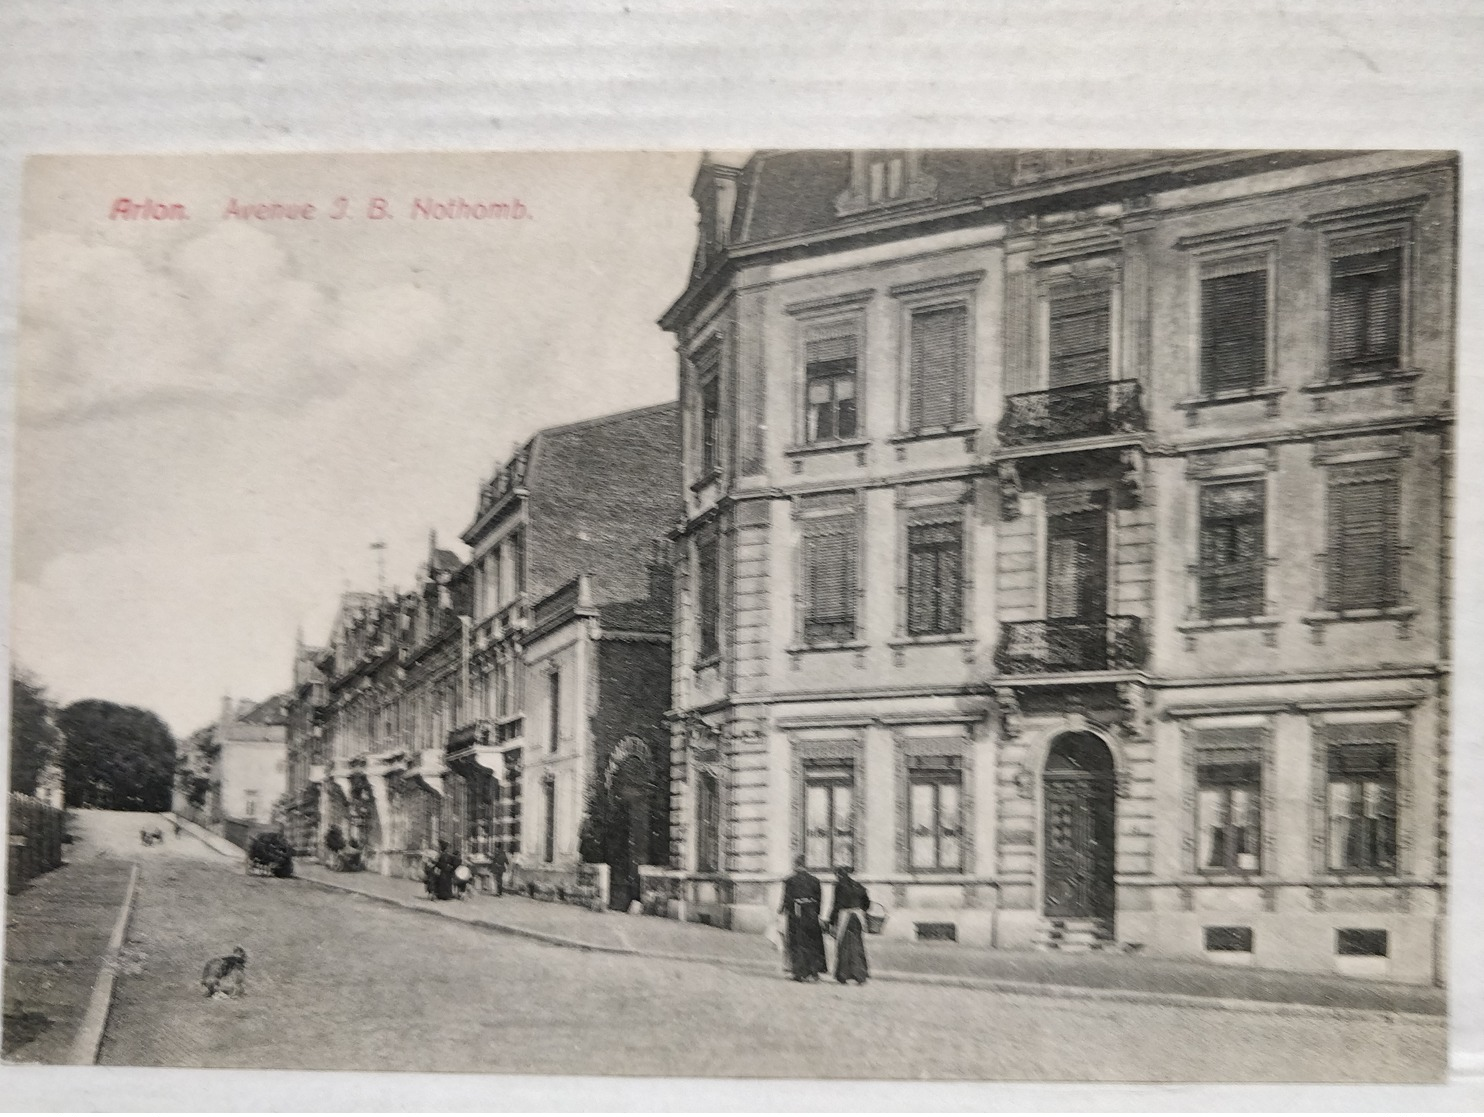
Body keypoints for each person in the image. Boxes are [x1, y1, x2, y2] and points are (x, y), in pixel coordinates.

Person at [778, 855, 828, 982]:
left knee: (797, 942)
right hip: (811, 915)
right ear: (805, 865)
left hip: (796, 914)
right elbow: (820, 900)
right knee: (813, 943)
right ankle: (814, 971)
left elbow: (786, 899)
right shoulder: (815, 880)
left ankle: (799, 972)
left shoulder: (790, 880)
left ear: (796, 865)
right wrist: (817, 913)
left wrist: (782, 911)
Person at [829, 865, 870, 985]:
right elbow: (867, 904)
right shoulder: (859, 886)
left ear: (839, 875)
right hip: (857, 918)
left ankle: (843, 974)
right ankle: (860, 974)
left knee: (844, 945)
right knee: (857, 945)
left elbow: (836, 905)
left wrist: (831, 921)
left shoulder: (839, 886)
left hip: (844, 917)